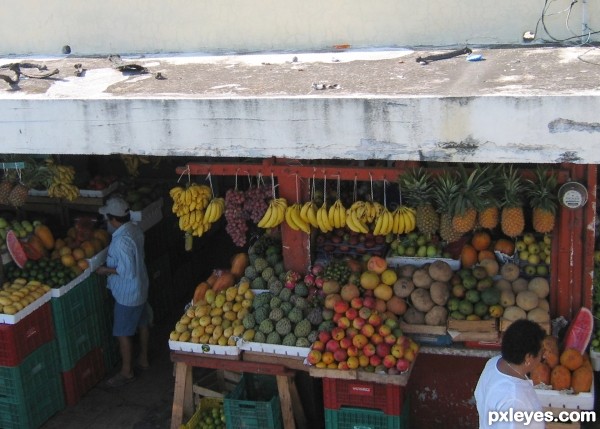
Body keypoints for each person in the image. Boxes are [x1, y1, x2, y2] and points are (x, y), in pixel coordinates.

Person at [96, 196, 150, 388]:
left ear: (113, 219)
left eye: (108, 219)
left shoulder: (121, 241)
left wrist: (105, 270)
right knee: (142, 323)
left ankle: (126, 372)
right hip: (141, 288)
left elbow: (127, 271)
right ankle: (143, 359)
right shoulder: (135, 229)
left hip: (128, 294)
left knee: (122, 333)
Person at [474, 319, 546, 429]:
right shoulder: (514, 399)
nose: (543, 356)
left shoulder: (494, 363)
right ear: (528, 357)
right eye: (541, 352)